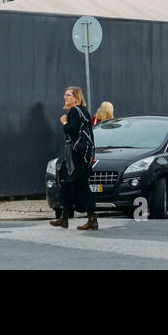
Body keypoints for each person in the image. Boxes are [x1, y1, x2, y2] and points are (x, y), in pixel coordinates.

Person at [50, 86, 97, 231]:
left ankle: (92, 219)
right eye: (65, 95)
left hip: (76, 154)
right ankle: (64, 217)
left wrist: (64, 122)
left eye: (68, 95)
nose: (65, 97)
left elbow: (72, 130)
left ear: (76, 97)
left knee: (79, 185)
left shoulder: (75, 111)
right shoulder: (84, 112)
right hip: (82, 154)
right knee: (67, 183)